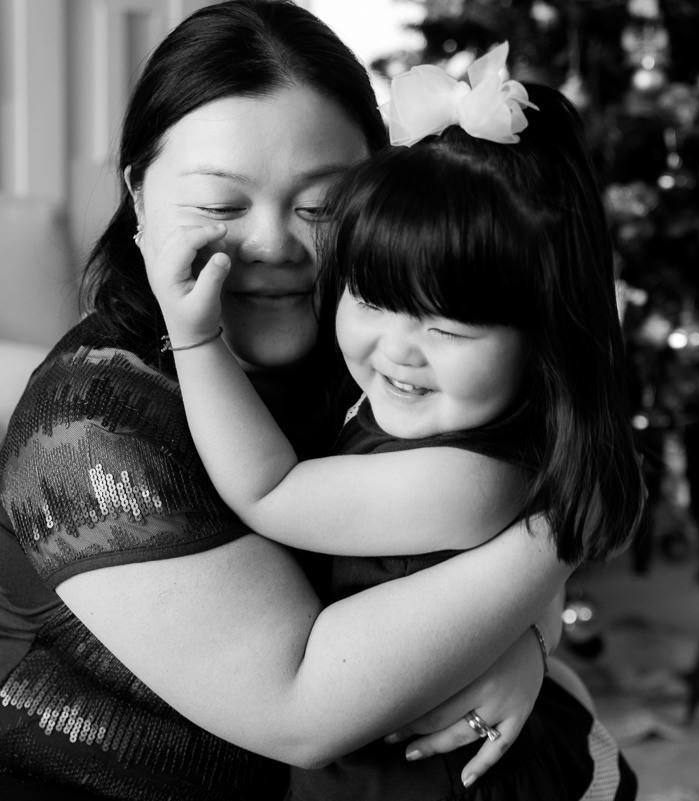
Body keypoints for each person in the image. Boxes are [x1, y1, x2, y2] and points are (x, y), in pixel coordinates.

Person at [0, 4, 574, 800]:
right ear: (140, 196)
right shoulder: (90, 423)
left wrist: (522, 642)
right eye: (220, 206)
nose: (273, 244)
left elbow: (455, 534)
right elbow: (304, 707)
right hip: (22, 779)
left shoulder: (382, 350)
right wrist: (564, 528)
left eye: (321, 206)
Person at [142, 42, 644, 800]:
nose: (399, 349)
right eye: (373, 300)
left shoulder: (462, 479)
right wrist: (530, 641)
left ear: (541, 340)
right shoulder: (409, 408)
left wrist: (196, 338)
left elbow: (269, 490)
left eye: (449, 329)